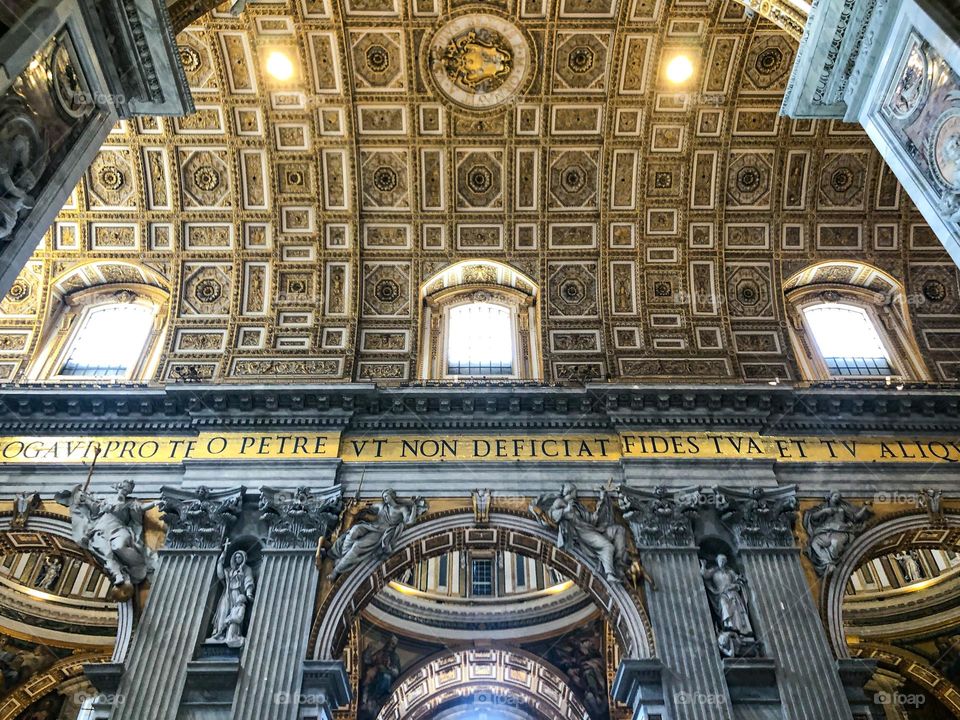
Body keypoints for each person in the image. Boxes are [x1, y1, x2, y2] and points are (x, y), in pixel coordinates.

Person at [328, 491, 427, 580]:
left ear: (392, 496)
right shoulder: (381, 506)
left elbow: (410, 522)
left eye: (386, 496)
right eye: (383, 497)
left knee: (357, 546)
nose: (385, 499)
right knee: (354, 531)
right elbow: (367, 509)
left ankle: (336, 570)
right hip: (371, 526)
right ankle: (343, 555)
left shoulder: (401, 509)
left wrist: (413, 507)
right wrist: (359, 507)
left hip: (380, 533)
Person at [208, 542, 255, 648]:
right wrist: (220, 561)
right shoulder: (229, 570)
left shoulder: (246, 569)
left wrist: (248, 592)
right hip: (227, 593)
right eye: (236, 557)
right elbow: (220, 576)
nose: (237, 559)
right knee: (223, 612)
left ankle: (232, 635)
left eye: (239, 557)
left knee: (235, 614)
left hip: (238, 594)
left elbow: (249, 581)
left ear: (243, 558)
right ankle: (218, 633)